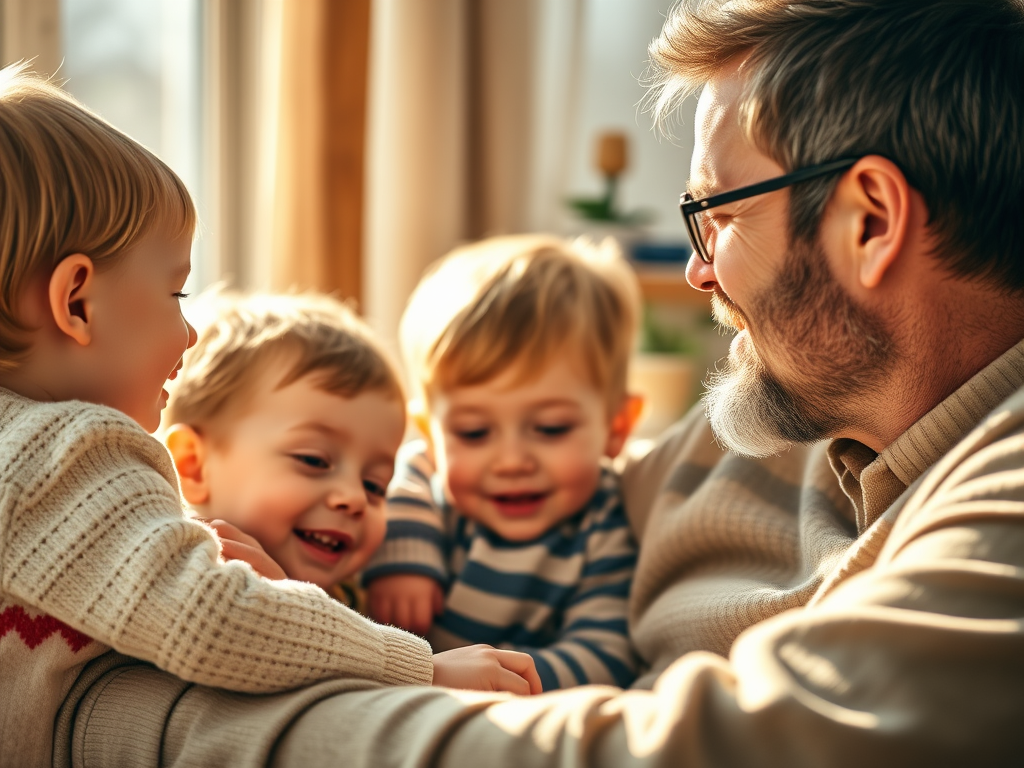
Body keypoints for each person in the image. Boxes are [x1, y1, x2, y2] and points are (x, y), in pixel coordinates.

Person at [57, 0, 1024, 765]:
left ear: (868, 221)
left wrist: (123, 719)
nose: (697, 273)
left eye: (717, 215)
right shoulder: (782, 424)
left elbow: (729, 747)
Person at [0, 64, 544, 768]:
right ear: (77, 301)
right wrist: (423, 668)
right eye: (175, 294)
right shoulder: (67, 452)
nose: (188, 334)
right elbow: (210, 618)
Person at [363, 235, 645, 690]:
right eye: (473, 433)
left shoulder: (604, 524)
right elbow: (400, 479)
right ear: (431, 435)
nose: (512, 462)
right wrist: (402, 559)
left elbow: (605, 656)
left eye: (551, 429)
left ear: (616, 428)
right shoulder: (422, 482)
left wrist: (506, 679)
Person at [162, 291, 409, 610]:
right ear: (193, 465)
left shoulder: (359, 598)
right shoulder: (177, 580)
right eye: (314, 460)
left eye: (375, 485)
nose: (356, 498)